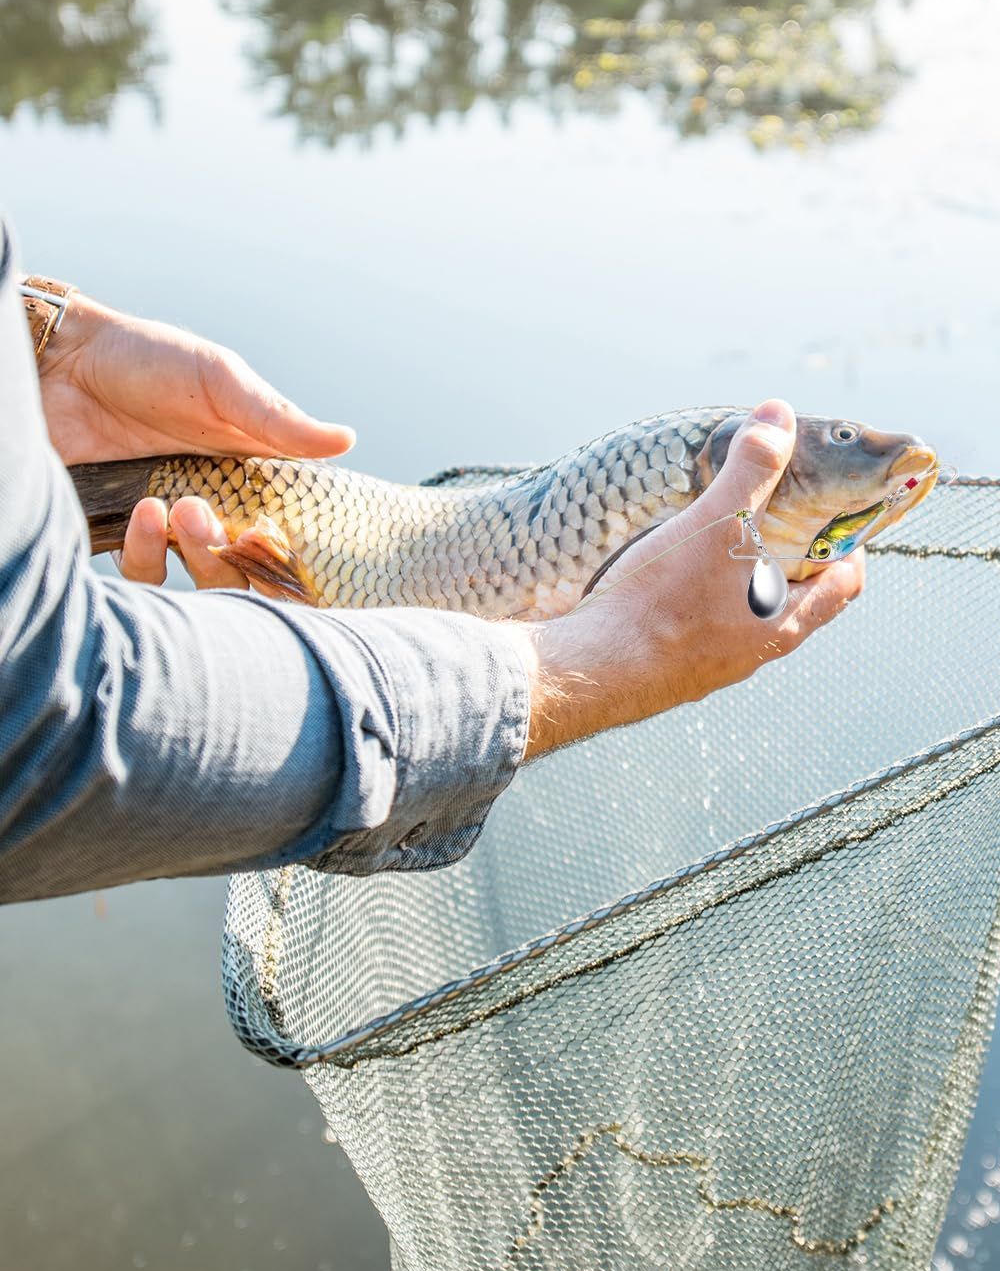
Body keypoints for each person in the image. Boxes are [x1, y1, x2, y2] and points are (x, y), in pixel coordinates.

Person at [0, 227, 864, 903]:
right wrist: (594, 664)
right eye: (843, 443)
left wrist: (48, 357)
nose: (864, 456)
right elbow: (34, 730)